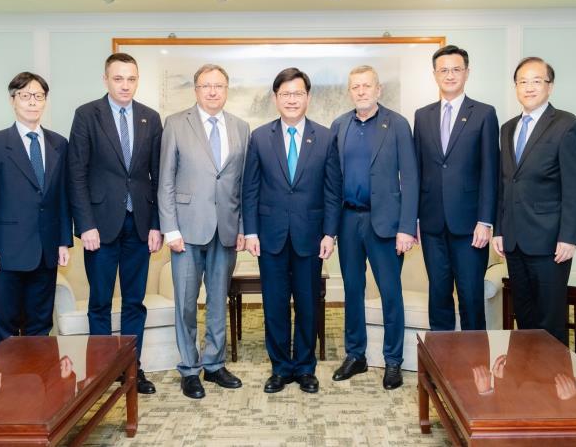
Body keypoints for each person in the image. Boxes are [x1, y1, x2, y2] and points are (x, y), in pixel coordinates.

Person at [242, 67, 342, 394]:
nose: (291, 99)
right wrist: (251, 232)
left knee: (308, 304)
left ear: (308, 97)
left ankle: (305, 368)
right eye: (285, 94)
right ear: (275, 98)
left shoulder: (326, 137)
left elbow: (332, 191)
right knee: (274, 304)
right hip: (269, 237)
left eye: (297, 93)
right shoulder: (259, 137)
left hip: (311, 237)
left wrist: (330, 233)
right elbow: (250, 189)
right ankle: (280, 368)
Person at [68, 53, 163, 394]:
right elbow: (76, 174)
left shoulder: (150, 119)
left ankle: (132, 369)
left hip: (139, 225)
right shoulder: (86, 115)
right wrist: (86, 224)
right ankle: (102, 371)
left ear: (138, 81)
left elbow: (156, 176)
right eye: (118, 78)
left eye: (131, 79)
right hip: (100, 228)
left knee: (135, 302)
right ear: (106, 79)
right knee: (101, 302)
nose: (125, 85)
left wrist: (155, 225)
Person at [158, 64, 250, 399]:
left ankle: (213, 365)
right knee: (185, 302)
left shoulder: (241, 127)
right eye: (205, 85)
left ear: (227, 89)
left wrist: (241, 227)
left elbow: (241, 185)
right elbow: (165, 180)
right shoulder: (176, 124)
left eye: (219, 86)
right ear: (195, 89)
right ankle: (188, 368)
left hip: (225, 229)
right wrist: (169, 229)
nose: (212, 91)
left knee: (217, 301)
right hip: (185, 229)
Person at [330, 65, 419, 389]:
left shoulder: (396, 124)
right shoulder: (339, 126)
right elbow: (332, 180)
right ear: (350, 91)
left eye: (367, 86)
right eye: (356, 87)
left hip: (386, 224)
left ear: (378, 89)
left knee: (390, 294)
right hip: (348, 220)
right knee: (352, 291)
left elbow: (410, 177)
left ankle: (393, 361)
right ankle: (356, 355)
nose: (362, 91)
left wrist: (407, 227)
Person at [493, 57, 576, 345]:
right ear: (516, 87)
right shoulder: (508, 128)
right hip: (514, 240)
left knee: (550, 319)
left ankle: (554, 382)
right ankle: (527, 380)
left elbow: (574, 187)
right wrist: (499, 228)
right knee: (526, 316)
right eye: (523, 81)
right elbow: (505, 182)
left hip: (549, 242)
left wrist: (569, 237)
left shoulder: (567, 125)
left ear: (550, 86)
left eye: (537, 81)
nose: (529, 87)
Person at [0, 72, 72, 344]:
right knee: (7, 325)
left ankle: (40, 384)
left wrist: (63, 242)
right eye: (25, 95)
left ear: (45, 101)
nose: (32, 102)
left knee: (40, 324)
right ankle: (8, 383)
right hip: (8, 250)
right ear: (13, 100)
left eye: (38, 96)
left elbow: (63, 197)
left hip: (47, 249)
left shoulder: (58, 144)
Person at [414, 45, 500, 331]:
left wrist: (486, 220)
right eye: (444, 70)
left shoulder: (484, 114)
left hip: (470, 226)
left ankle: (474, 372)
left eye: (456, 69)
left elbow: (491, 170)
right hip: (431, 224)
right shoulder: (422, 116)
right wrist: (413, 219)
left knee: (470, 297)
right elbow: (417, 171)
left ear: (467, 72)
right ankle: (440, 370)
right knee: (438, 296)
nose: (450, 75)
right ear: (435, 74)